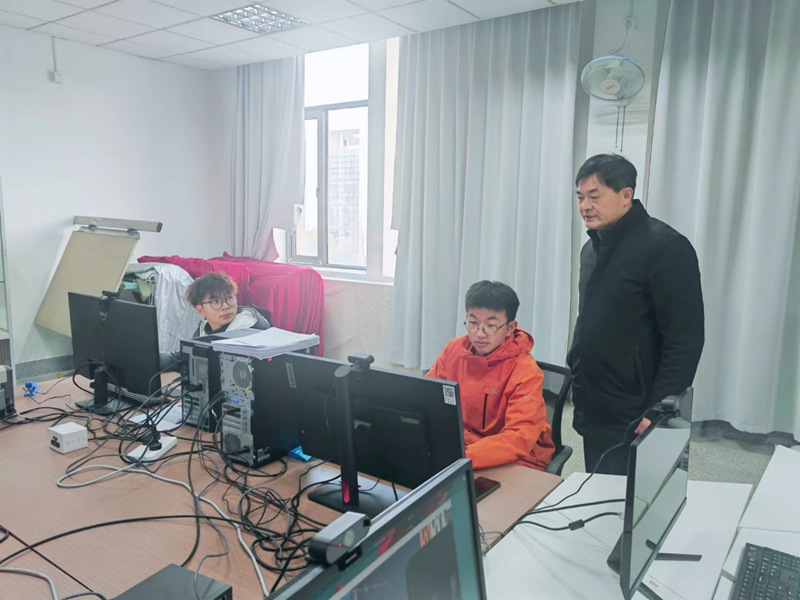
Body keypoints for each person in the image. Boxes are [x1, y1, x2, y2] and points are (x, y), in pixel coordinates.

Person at [567, 154, 704, 475]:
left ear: (626, 195)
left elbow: (684, 339)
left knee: (637, 495)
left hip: (638, 406)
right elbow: (588, 321)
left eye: (595, 196)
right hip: (596, 400)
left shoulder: (666, 248)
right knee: (600, 485)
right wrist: (576, 374)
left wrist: (659, 409)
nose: (585, 206)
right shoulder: (591, 249)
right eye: (580, 197)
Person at [427, 280, 555, 471]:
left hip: (514, 457)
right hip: (461, 445)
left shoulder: (526, 371)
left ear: (510, 328)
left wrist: (459, 458)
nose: (480, 333)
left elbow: (519, 437)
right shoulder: (454, 350)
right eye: (473, 323)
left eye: (491, 325)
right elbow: (428, 398)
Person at [185, 272, 269, 337]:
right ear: (200, 310)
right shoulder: (201, 331)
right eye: (215, 302)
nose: (226, 306)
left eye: (229, 298)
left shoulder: (249, 329)